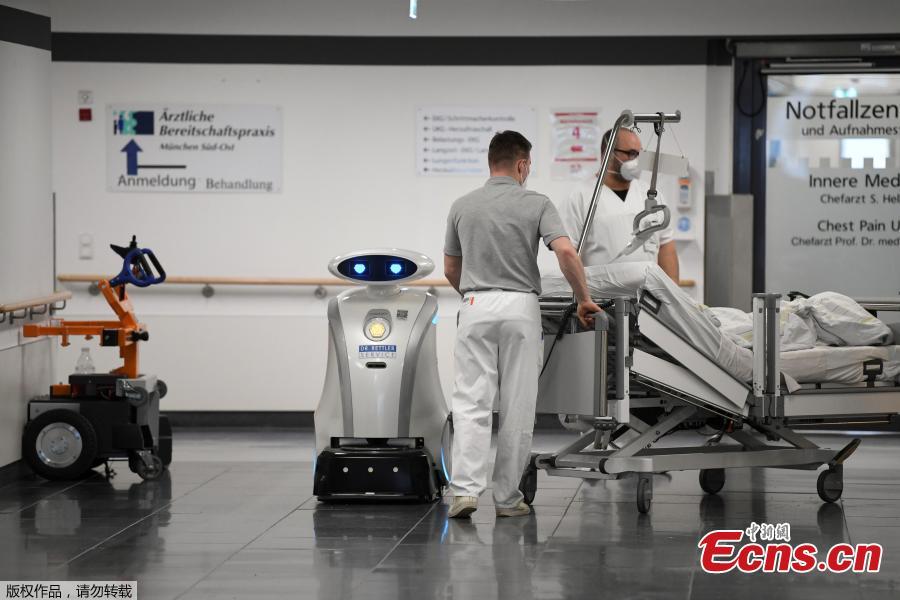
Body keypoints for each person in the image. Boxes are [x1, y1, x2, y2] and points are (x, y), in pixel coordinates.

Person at [443, 130, 601, 519]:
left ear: (490, 162)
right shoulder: (537, 203)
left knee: (471, 402)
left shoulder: (462, 206)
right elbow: (566, 252)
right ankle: (507, 499)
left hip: (475, 304)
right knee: (517, 405)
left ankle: (464, 492)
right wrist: (583, 298)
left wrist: (475, 296)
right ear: (522, 164)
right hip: (520, 307)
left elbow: (450, 268)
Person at [558, 128, 679, 281]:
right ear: (607, 153)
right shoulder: (579, 197)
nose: (637, 161)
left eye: (639, 154)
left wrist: (672, 293)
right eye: (631, 153)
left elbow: (666, 246)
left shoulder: (651, 195)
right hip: (601, 294)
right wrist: (582, 294)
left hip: (648, 293)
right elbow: (568, 254)